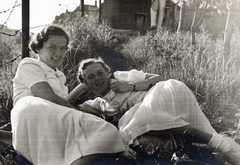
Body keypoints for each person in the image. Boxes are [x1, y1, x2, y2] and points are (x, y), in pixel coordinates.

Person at [68, 57, 240, 165]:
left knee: (140, 118)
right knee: (135, 125)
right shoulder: (99, 104)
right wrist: (81, 86)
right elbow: (67, 104)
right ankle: (216, 145)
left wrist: (130, 86)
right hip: (156, 115)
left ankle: (224, 146)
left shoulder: (121, 76)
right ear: (86, 85)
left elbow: (159, 78)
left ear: (108, 72)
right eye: (90, 77)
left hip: (165, 92)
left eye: (100, 73)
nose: (97, 78)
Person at [10, 25, 130, 165]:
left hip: (50, 114)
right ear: (38, 48)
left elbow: (60, 102)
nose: (58, 53)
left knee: (101, 136)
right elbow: (46, 95)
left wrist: (83, 87)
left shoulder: (59, 76)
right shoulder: (29, 64)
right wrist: (78, 113)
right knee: (106, 130)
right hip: (31, 109)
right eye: (52, 47)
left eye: (63, 48)